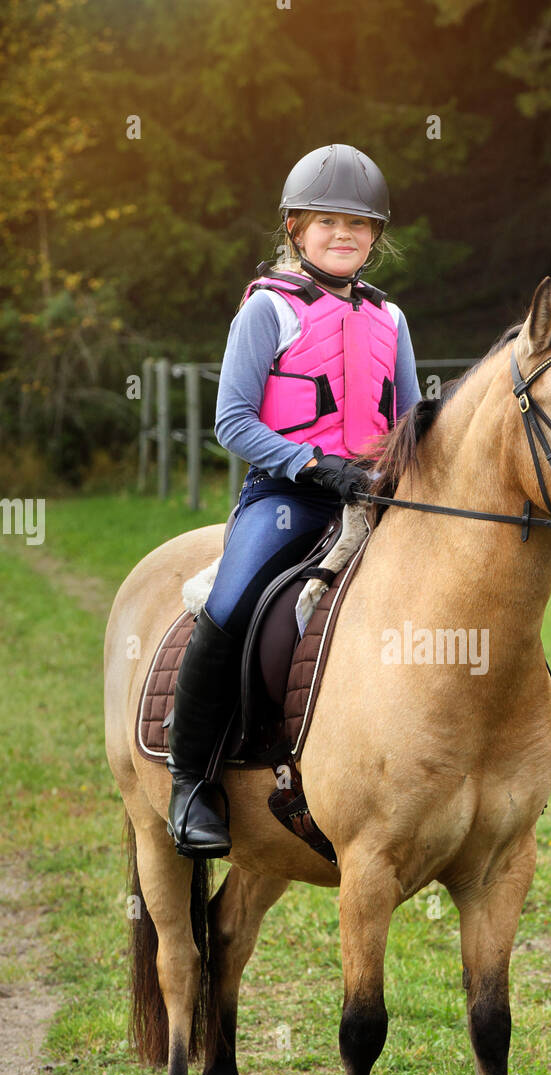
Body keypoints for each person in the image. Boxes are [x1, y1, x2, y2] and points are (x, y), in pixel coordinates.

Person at [166, 144, 422, 858]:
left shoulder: (390, 318)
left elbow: (406, 416)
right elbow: (233, 420)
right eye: (327, 222)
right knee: (233, 602)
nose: (344, 235)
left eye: (359, 225)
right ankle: (192, 782)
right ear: (295, 230)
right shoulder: (267, 311)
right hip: (287, 497)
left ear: (375, 237)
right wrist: (313, 465)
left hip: (376, 498)